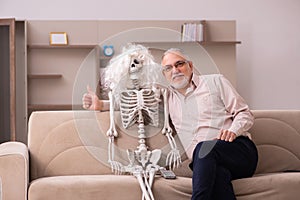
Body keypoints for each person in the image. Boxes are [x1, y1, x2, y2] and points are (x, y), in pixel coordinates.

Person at [82, 46, 258, 200]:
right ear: (164, 74)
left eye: (179, 64)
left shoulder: (216, 81)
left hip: (237, 150)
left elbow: (244, 113)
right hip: (206, 164)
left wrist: (233, 131)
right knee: (218, 178)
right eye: (168, 68)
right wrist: (100, 104)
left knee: (204, 149)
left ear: (190, 65)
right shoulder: (166, 97)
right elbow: (133, 99)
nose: (175, 70)